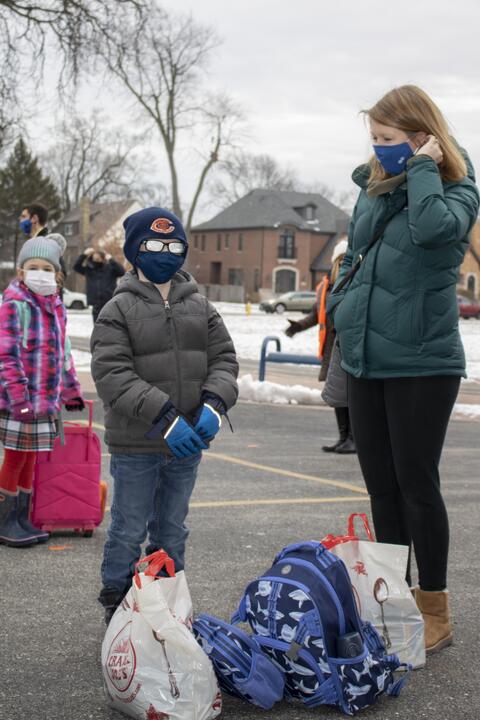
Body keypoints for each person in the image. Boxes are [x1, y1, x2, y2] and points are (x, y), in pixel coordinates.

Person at [327, 85, 480, 654]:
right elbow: (356, 252)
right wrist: (342, 304)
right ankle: (393, 598)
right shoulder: (372, 187)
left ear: (423, 136)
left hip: (422, 361)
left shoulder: (457, 189)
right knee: (381, 487)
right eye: (373, 139)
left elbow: (436, 233)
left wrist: (422, 171)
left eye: (388, 140)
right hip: (368, 355)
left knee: (417, 485)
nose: (378, 149)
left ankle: (434, 605)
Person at [91, 207, 239, 623]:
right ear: (135, 251)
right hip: (137, 444)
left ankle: (167, 599)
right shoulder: (117, 309)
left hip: (188, 444)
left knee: (172, 529)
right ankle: (116, 601)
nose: (165, 254)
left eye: (175, 246)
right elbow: (112, 374)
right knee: (128, 529)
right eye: (154, 246)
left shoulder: (201, 306)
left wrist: (214, 403)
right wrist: (164, 416)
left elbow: (225, 359)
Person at [0, 234, 85, 547]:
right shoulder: (13, 306)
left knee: (31, 459)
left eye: (46, 267)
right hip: (18, 402)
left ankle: (21, 517)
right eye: (32, 266)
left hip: (44, 403)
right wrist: (19, 398)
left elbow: (63, 355)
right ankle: (5, 519)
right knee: (15, 458)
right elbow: (6, 356)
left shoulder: (57, 308)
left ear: (57, 274)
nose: (40, 272)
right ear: (21, 272)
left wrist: (71, 392)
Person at [285, 239, 355, 454]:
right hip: (331, 348)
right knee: (336, 396)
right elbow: (318, 314)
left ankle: (354, 438)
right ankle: (344, 437)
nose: (343, 265)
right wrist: (298, 326)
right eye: (340, 261)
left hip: (350, 347)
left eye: (346, 260)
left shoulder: (355, 283)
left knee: (350, 397)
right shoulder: (325, 287)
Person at [19, 202, 68, 296]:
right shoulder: (32, 244)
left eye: (24, 216)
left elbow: (60, 277)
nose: (20, 220)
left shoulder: (49, 244)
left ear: (34, 219)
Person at [73, 248, 126, 321]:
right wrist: (84, 255)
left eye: (98, 258)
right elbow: (76, 266)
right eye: (95, 258)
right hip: (96, 304)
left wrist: (111, 259)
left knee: (110, 326)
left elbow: (122, 271)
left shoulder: (110, 268)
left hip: (109, 302)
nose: (96, 260)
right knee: (97, 326)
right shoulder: (89, 269)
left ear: (103, 258)